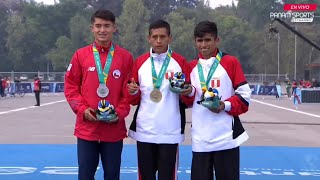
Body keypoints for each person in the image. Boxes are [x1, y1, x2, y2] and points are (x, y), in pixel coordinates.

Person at [64, 9, 133, 180]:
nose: (102, 30)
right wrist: (82, 109)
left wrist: (119, 113)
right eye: (98, 26)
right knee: (86, 175)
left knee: (112, 175)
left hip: (113, 129)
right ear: (92, 28)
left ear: (114, 28)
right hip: (87, 128)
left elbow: (128, 93)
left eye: (107, 26)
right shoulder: (80, 55)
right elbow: (71, 87)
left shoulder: (125, 57)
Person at [127, 19, 192, 180]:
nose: (158, 41)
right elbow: (132, 99)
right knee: (145, 177)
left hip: (170, 131)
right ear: (149, 38)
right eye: (154, 36)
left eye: (162, 37)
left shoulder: (180, 62)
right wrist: (133, 92)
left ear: (170, 38)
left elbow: (189, 98)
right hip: (145, 130)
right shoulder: (140, 62)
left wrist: (187, 91)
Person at [187, 21, 251, 180]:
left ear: (217, 40)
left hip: (226, 138)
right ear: (195, 42)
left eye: (208, 40)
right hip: (200, 139)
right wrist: (186, 93)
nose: (203, 45)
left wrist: (225, 105)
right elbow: (186, 101)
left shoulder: (230, 62)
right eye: (199, 41)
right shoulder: (191, 67)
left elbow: (244, 96)